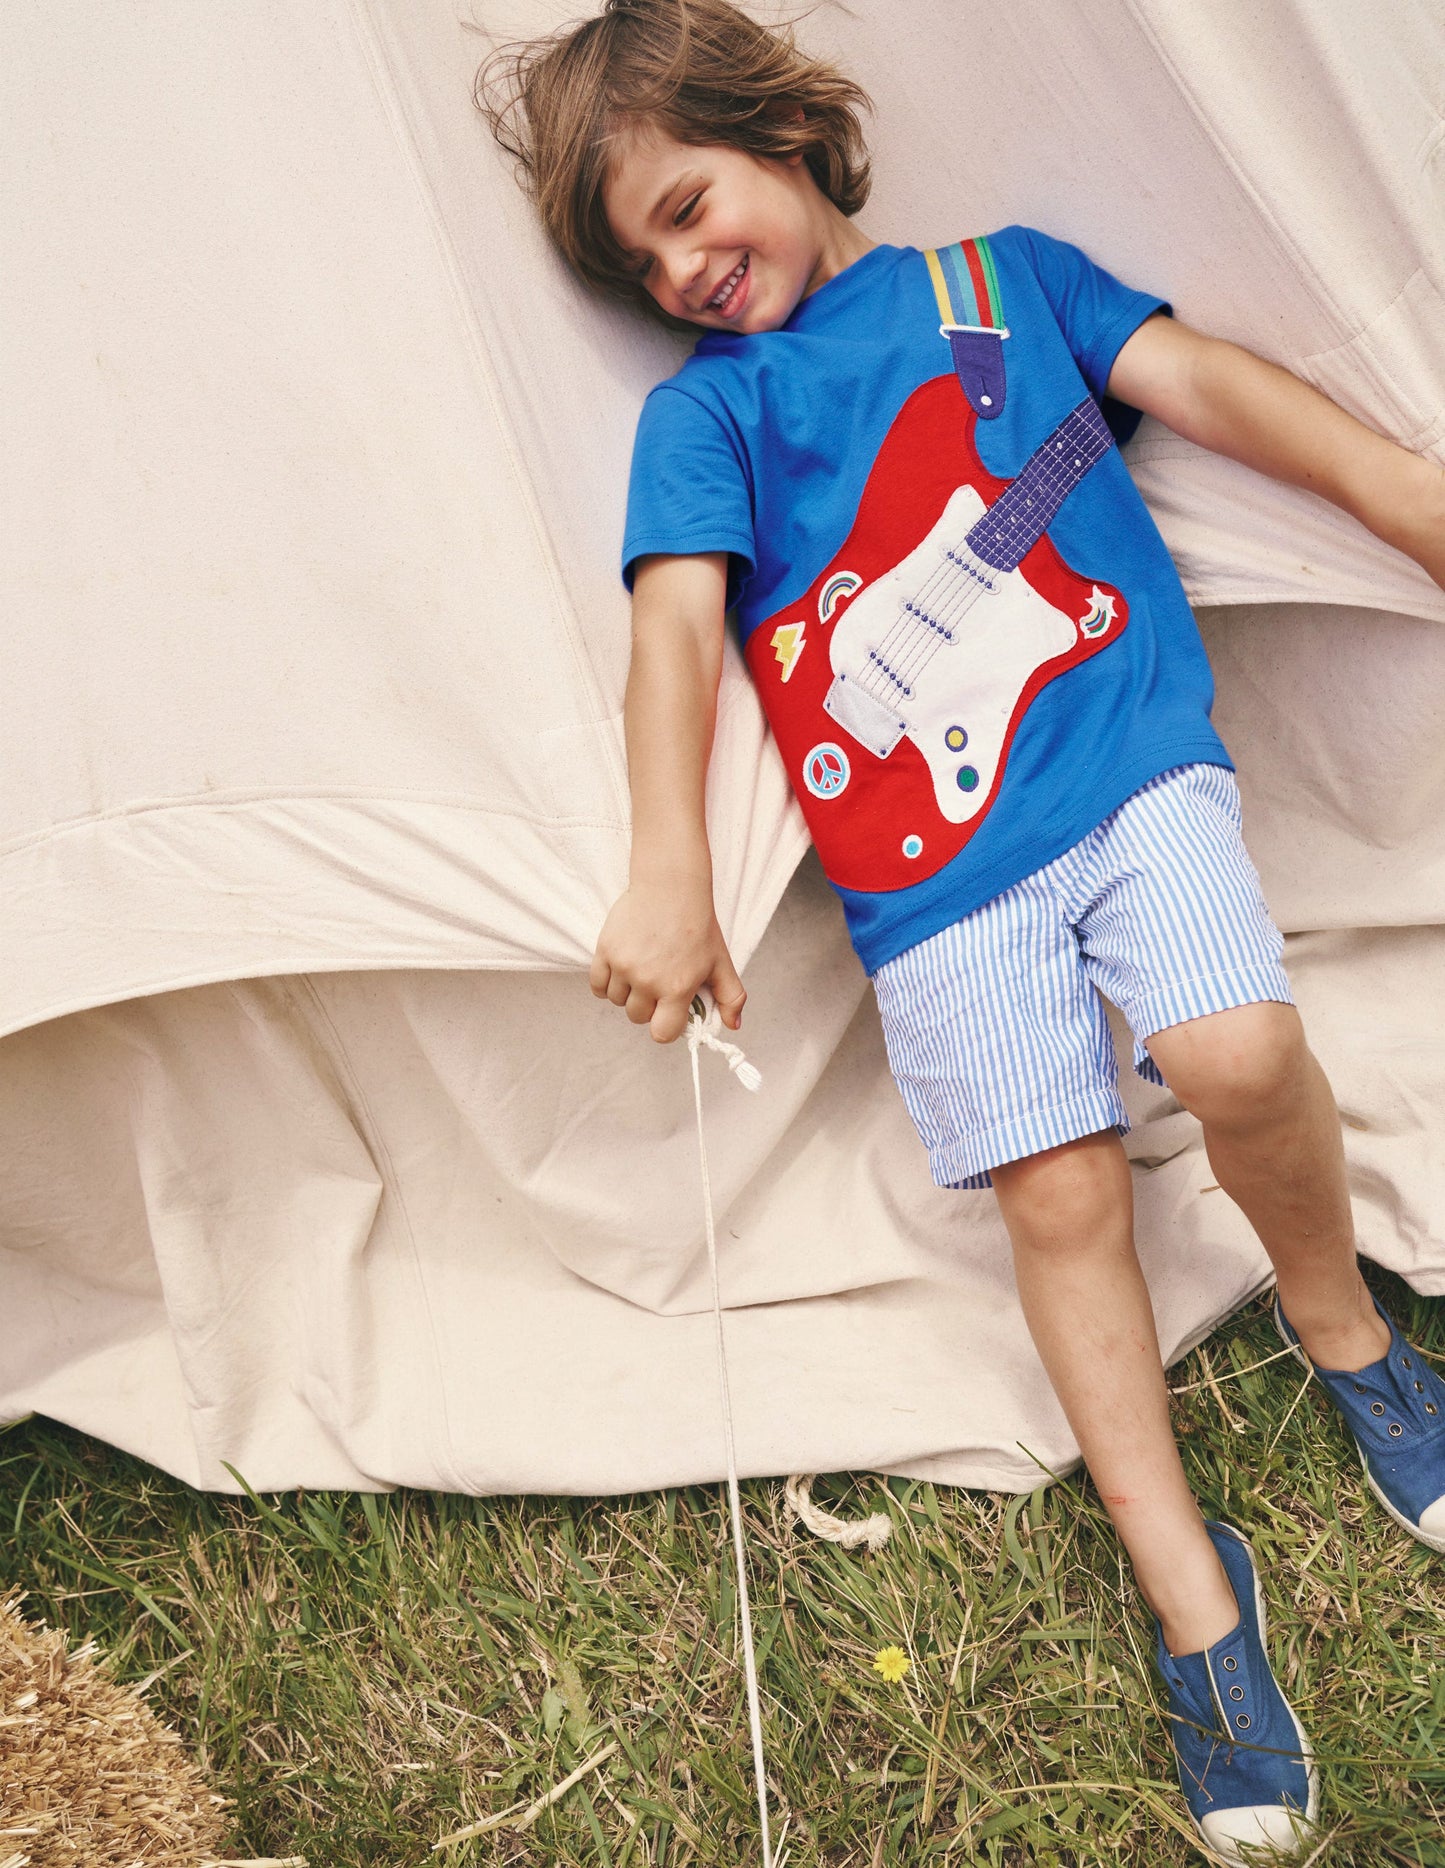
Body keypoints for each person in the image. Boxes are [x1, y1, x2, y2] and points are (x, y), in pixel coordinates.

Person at [481, 2, 1445, 1858]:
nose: (682, 274)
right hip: (927, 882)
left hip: (1127, 763)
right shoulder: (705, 416)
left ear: (785, 131)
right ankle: (1191, 1595)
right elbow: (674, 634)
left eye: (687, 209)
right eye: (642, 265)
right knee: (1056, 1199)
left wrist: (1400, 492)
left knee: (1238, 1049)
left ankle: (1347, 1338)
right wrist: (667, 867)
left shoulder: (1002, 286)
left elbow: (1211, 386)